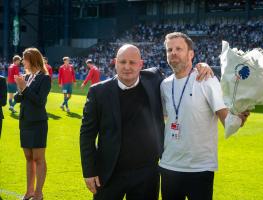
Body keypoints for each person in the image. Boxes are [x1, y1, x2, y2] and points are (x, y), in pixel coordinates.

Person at [79, 44, 213, 200]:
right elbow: (86, 135)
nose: (127, 67)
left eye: (132, 62)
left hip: (147, 173)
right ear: (115, 62)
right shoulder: (98, 91)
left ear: (141, 64)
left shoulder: (154, 79)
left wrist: (202, 66)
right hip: (109, 172)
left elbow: (181, 76)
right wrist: (89, 171)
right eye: (122, 62)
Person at [159, 32, 250, 200]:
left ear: (191, 54)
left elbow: (227, 122)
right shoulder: (165, 85)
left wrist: (239, 117)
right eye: (169, 49)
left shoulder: (206, 80)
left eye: (179, 49)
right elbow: (167, 118)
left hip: (199, 169)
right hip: (169, 166)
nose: (173, 53)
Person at [14, 47, 51, 200]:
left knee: (38, 159)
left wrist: (24, 88)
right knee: (28, 158)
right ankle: (29, 191)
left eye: (25, 59)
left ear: (33, 60)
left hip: (37, 124)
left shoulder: (45, 78)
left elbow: (40, 101)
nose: (23, 62)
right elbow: (17, 99)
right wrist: (20, 88)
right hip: (25, 123)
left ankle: (38, 193)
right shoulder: (27, 76)